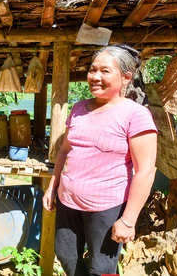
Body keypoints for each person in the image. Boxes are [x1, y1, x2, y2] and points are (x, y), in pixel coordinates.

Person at [42, 43, 158, 276]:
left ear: (125, 78)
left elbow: (146, 171)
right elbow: (65, 150)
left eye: (105, 71)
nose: (95, 76)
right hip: (68, 202)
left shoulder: (135, 115)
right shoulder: (78, 109)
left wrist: (128, 220)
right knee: (67, 257)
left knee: (102, 268)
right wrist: (52, 186)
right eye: (92, 70)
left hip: (106, 207)